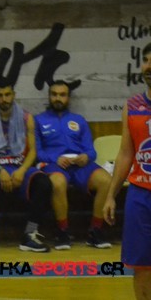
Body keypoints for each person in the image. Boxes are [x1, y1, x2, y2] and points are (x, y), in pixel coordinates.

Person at [35, 80, 113, 249]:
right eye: (54, 94)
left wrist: (86, 156)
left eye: (62, 95)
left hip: (80, 165)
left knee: (106, 180)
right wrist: (55, 158)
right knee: (57, 183)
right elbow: (36, 151)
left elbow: (91, 150)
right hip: (54, 164)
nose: (58, 98)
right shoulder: (38, 120)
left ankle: (95, 231)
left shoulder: (79, 120)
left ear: (68, 98)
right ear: (49, 96)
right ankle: (62, 232)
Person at [0, 83, 52, 253]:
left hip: (19, 165)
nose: (4, 99)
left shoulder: (26, 118)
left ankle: (30, 234)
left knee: (44, 182)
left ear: (14, 95)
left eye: (7, 94)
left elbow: (33, 152)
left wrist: (22, 171)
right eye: (0, 95)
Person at [104, 42, 151, 300]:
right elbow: (125, 154)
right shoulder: (132, 105)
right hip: (140, 195)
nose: (149, 67)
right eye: (146, 61)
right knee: (142, 266)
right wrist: (111, 195)